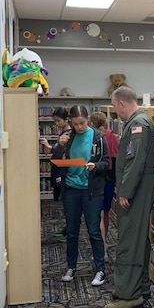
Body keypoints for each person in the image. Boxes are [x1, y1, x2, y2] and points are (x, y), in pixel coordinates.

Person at [104, 86, 154, 308]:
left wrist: (125, 191)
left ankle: (129, 295)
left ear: (122, 104)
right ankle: (139, 286)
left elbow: (135, 162)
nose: (115, 111)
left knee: (129, 241)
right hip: (139, 189)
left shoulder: (138, 125)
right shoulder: (137, 122)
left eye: (115, 107)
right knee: (137, 239)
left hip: (136, 191)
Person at [59, 105, 110, 287]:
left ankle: (100, 269)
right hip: (71, 189)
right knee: (72, 231)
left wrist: (95, 166)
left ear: (88, 119)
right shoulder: (68, 136)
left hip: (91, 190)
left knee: (94, 230)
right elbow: (58, 160)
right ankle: (71, 266)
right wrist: (60, 146)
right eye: (75, 124)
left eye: (82, 123)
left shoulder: (98, 137)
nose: (79, 127)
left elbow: (106, 162)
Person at [89, 111, 119, 246]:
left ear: (91, 123)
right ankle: (104, 240)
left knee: (96, 212)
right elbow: (117, 155)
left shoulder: (94, 137)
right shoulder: (111, 135)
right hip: (110, 177)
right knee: (105, 211)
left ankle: (98, 243)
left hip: (97, 177)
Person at [40, 107, 71, 241]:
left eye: (58, 121)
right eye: (55, 121)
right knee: (64, 203)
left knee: (68, 204)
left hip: (62, 170)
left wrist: (49, 146)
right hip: (58, 169)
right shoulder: (63, 133)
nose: (56, 124)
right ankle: (66, 230)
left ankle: (69, 232)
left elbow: (63, 153)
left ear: (66, 120)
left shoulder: (68, 134)